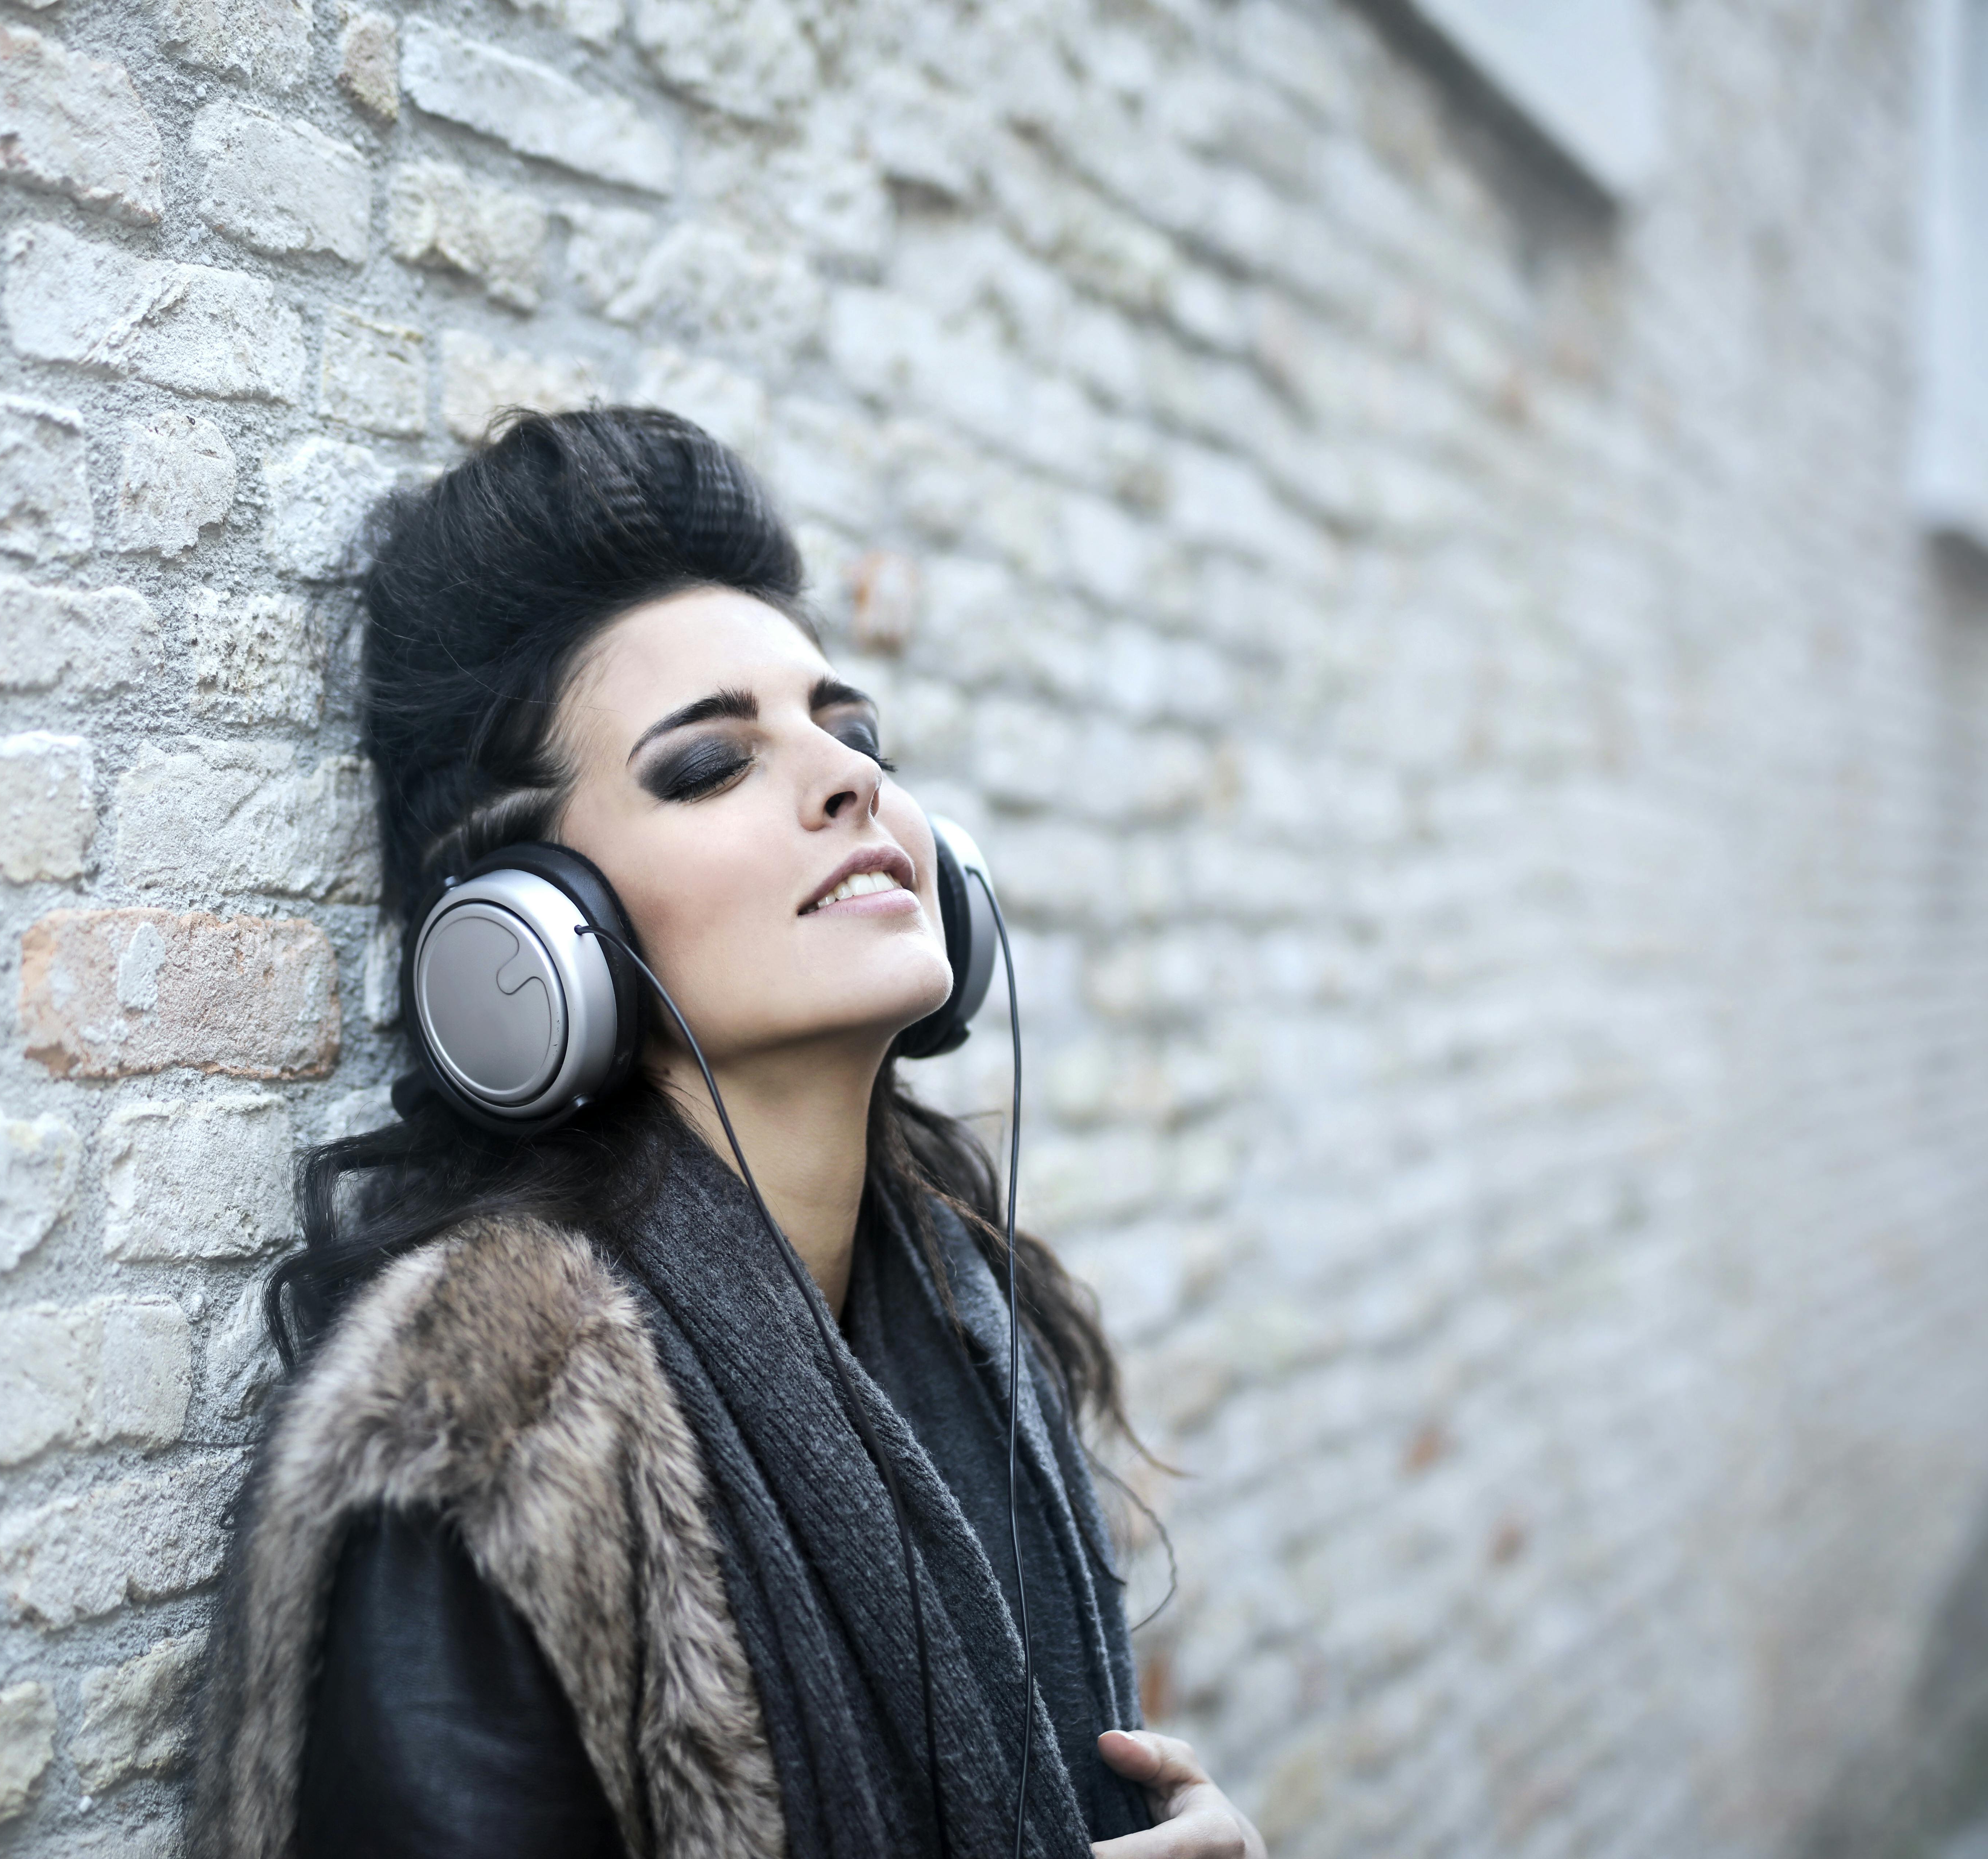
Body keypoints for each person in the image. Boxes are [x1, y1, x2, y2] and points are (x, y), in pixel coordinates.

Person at [187, 406, 1266, 1859]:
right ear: (535, 943)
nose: (851, 781)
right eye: (710, 764)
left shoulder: (969, 1319)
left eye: (852, 730)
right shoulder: (494, 1433)